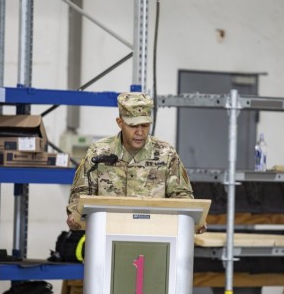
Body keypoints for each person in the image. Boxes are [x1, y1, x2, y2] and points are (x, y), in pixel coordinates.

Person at [66, 91, 203, 232]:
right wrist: (75, 212)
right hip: (107, 233)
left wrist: (192, 218)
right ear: (120, 123)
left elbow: (182, 195)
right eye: (133, 126)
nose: (140, 132)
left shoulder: (165, 154)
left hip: (154, 234)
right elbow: (80, 192)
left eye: (144, 125)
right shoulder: (99, 152)